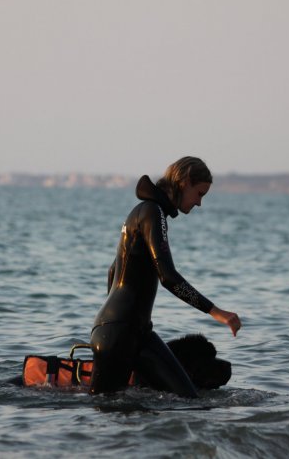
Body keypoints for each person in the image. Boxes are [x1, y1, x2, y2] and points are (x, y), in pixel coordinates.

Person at [89, 156, 242, 397]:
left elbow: (113, 271)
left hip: (130, 332)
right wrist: (216, 312)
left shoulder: (145, 212)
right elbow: (168, 277)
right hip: (121, 333)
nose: (200, 203)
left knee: (189, 399)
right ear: (185, 182)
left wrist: (119, 318)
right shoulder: (153, 212)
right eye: (200, 194)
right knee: (106, 407)